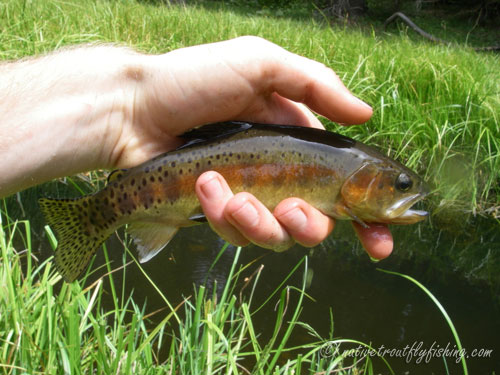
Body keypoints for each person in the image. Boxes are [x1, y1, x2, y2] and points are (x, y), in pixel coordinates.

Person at [0, 36, 393, 259]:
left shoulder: (344, 164)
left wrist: (126, 108)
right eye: (401, 186)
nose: (404, 194)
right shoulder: (346, 163)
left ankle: (103, 215)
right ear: (367, 180)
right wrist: (130, 103)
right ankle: (94, 216)